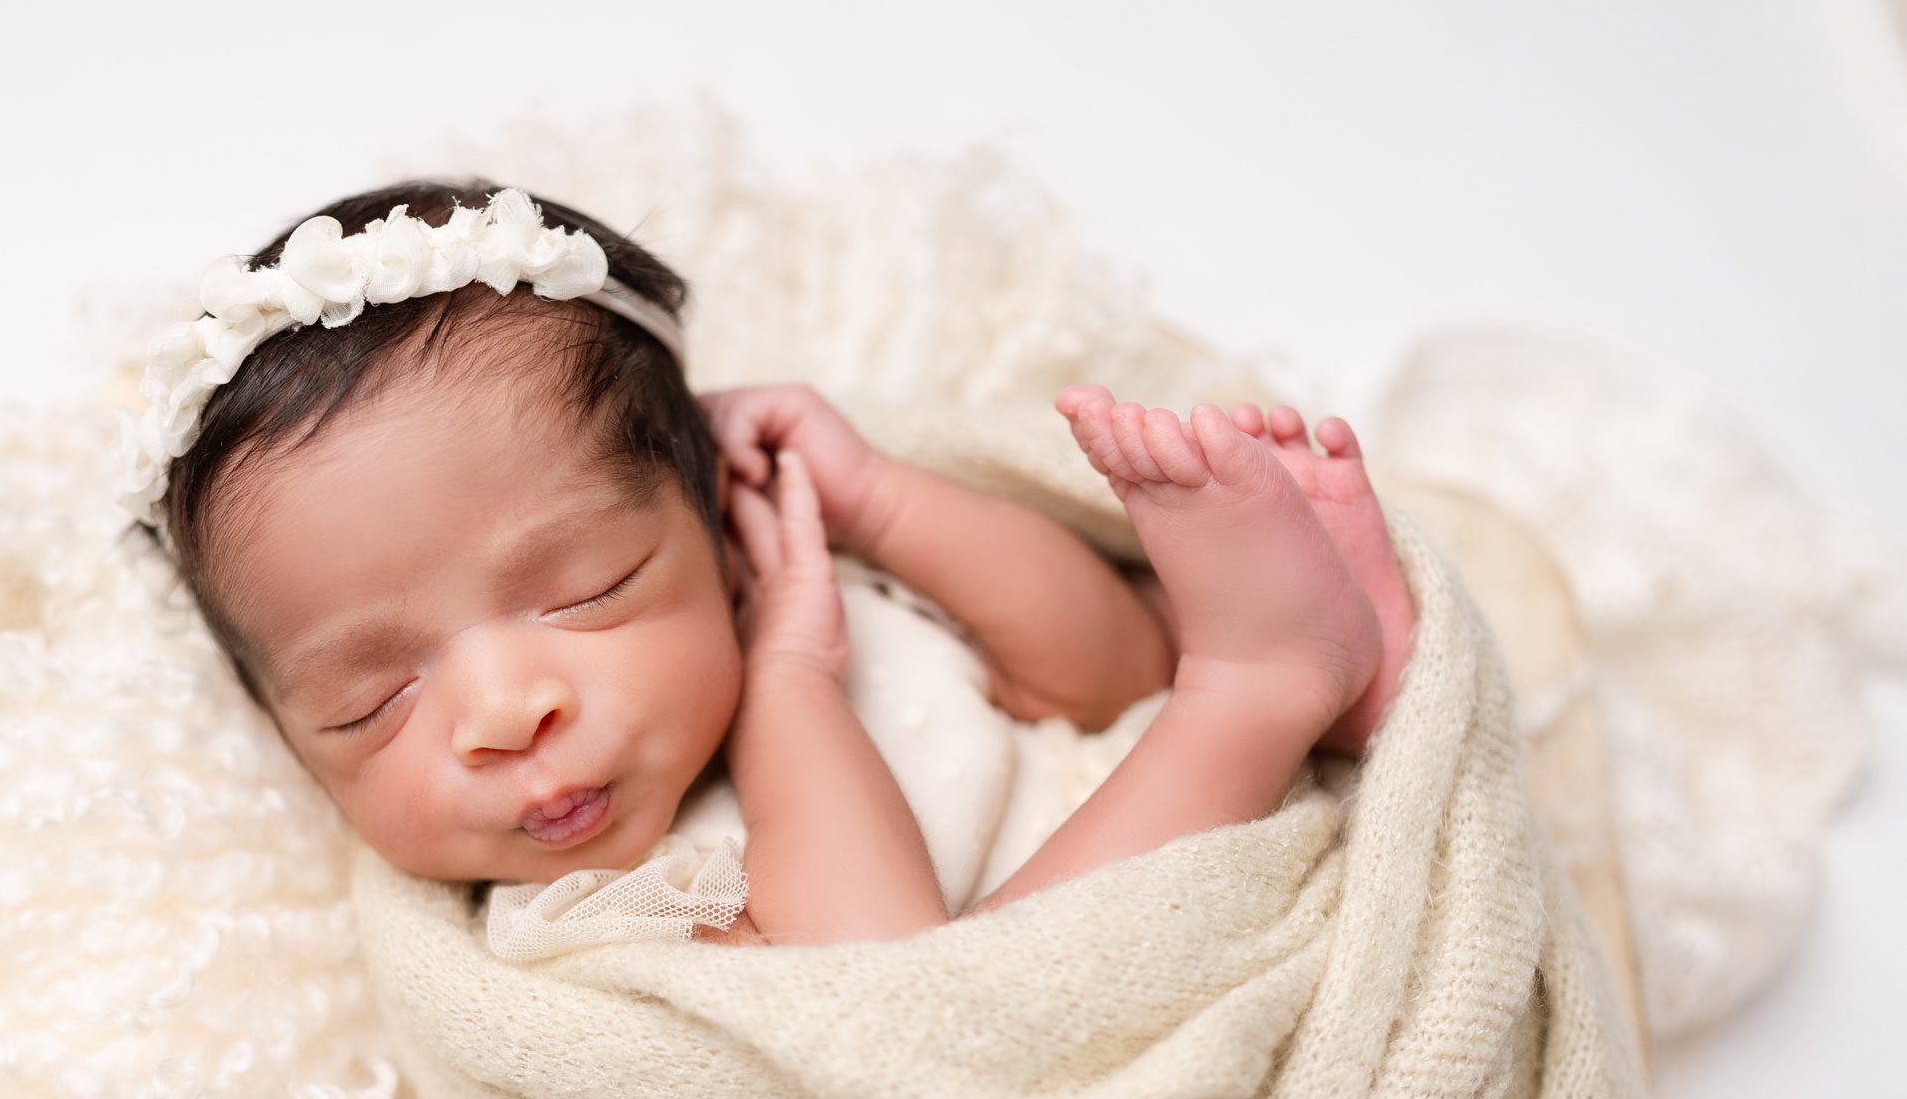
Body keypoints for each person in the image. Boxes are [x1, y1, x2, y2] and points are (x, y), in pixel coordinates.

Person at [120, 180, 1414, 946]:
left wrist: (884, 503)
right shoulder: (592, 926)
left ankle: (1324, 700)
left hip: (1180, 827)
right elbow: (889, 986)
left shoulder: (800, 580)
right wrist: (793, 685)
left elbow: (1104, 674)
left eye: (585, 590)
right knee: (991, 980)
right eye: (369, 701)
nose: (508, 713)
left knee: (1154, 643)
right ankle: (1269, 684)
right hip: (1053, 1007)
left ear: (713, 521)